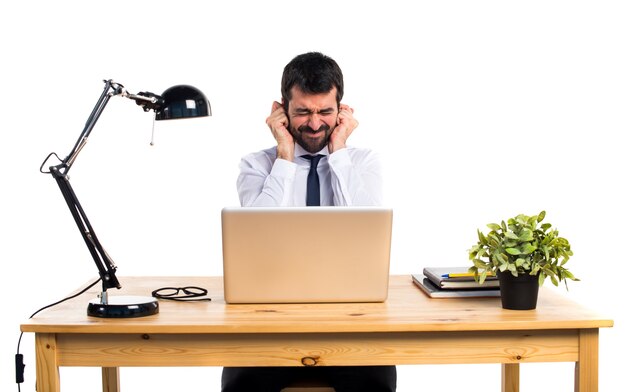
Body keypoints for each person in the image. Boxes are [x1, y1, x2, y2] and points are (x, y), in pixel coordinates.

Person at [224, 52, 395, 392]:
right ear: (281, 110)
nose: (315, 124)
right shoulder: (256, 166)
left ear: (342, 110)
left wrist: (339, 152)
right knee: (242, 386)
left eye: (325, 112)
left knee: (375, 385)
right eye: (303, 111)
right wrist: (284, 156)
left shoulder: (362, 162)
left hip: (352, 322)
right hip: (269, 322)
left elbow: (366, 230)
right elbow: (257, 240)